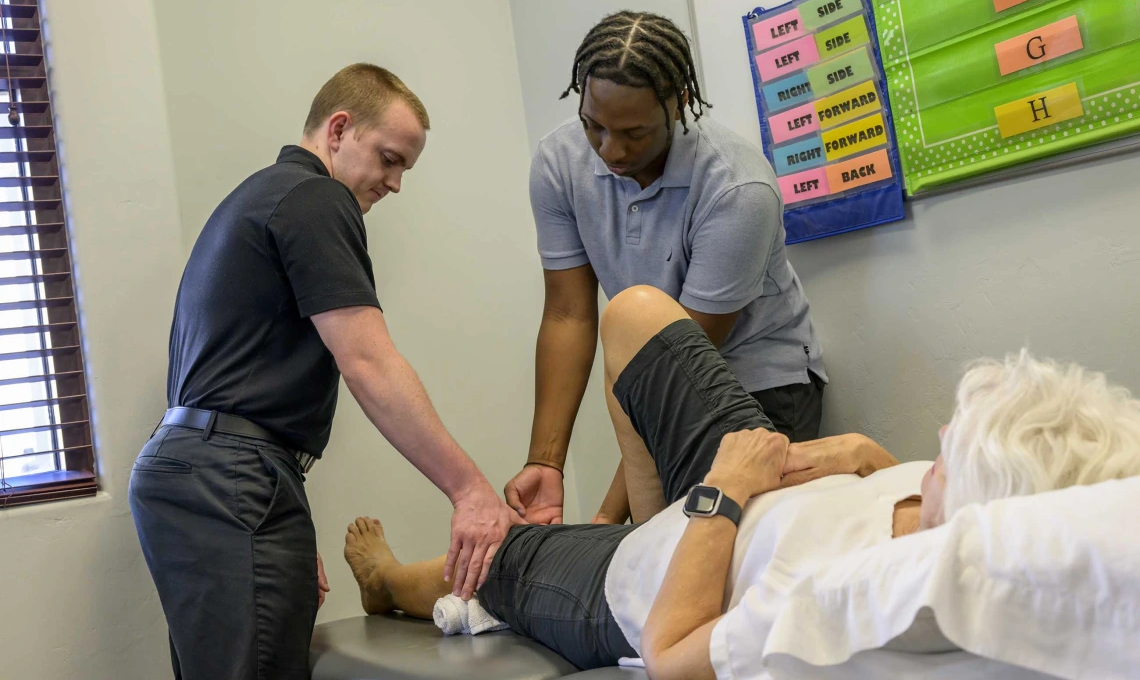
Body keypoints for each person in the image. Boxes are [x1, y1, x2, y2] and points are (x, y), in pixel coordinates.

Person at [342, 285, 1140, 675]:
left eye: (948, 453)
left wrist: (721, 496)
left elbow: (671, 656)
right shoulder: (939, 508)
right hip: (756, 477)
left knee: (505, 557)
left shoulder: (851, 594)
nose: (935, 441)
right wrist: (857, 451)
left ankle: (390, 582)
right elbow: (890, 473)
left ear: (975, 508)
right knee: (637, 312)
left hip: (666, 570)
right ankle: (647, 519)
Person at [128, 64, 515, 680]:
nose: (393, 183)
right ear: (339, 129)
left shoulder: (258, 198)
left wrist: (277, 513)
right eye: (389, 159)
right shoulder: (315, 197)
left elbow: (233, 386)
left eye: (404, 169)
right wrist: (470, 490)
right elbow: (368, 362)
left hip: (197, 470)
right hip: (228, 477)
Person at [505, 11, 827, 529]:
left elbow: (679, 369)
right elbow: (568, 314)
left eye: (634, 132)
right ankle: (389, 581)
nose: (610, 150)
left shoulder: (737, 190)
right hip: (656, 372)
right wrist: (546, 461)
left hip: (756, 385)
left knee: (728, 559)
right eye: (594, 126)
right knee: (646, 551)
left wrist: (610, 516)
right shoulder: (558, 162)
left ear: (678, 101)